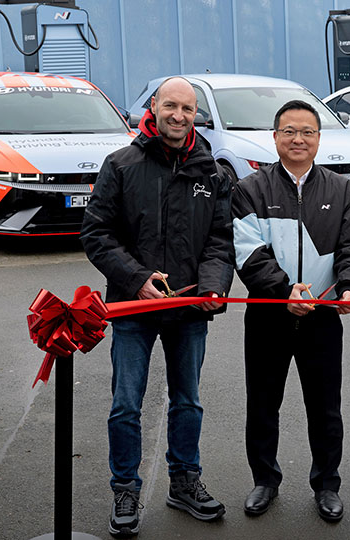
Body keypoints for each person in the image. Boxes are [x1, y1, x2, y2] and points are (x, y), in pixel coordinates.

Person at [81, 76, 234, 537]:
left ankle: (184, 481)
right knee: (126, 404)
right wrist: (135, 279)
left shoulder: (212, 172)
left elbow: (220, 242)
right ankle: (125, 487)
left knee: (187, 401)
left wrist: (210, 288)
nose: (179, 116)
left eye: (188, 109)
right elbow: (96, 234)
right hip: (132, 310)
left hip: (189, 312)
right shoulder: (122, 164)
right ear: (153, 106)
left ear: (195, 115)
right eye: (171, 106)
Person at [231, 99, 350, 522]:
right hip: (269, 316)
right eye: (289, 131)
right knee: (263, 403)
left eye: (307, 132)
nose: (298, 139)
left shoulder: (343, 190)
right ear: (274, 138)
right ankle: (265, 481)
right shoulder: (249, 190)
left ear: (318, 139)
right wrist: (283, 290)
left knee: (326, 407)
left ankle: (327, 485)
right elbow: (248, 254)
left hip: (324, 317)